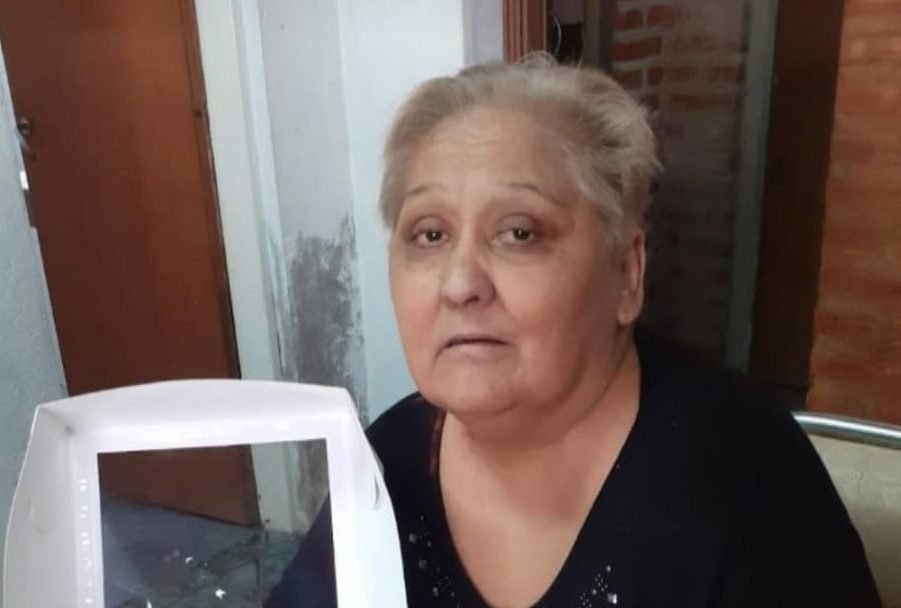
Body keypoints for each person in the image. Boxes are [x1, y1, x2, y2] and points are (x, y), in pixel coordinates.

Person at [266, 55, 880, 607]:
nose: (459, 284)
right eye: (429, 234)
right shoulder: (389, 462)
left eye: (519, 233)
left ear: (627, 273)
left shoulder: (744, 487)